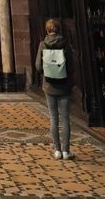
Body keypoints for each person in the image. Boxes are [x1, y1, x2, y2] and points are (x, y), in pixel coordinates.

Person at [35, 18, 74, 160]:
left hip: (49, 85)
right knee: (65, 118)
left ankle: (57, 150)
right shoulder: (65, 44)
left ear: (47, 30)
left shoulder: (42, 44)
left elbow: (38, 66)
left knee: (53, 117)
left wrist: (47, 72)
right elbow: (71, 66)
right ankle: (66, 151)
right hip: (64, 85)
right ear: (59, 29)